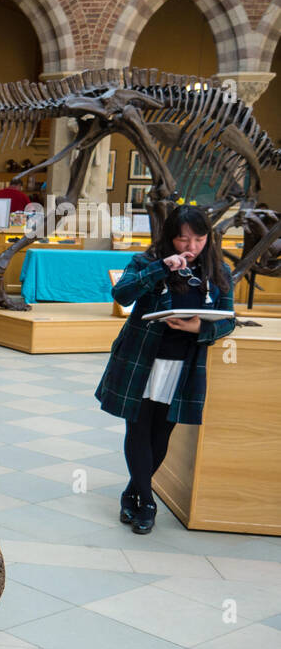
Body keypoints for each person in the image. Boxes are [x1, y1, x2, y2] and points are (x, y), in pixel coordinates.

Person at [94, 205, 236, 533]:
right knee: (138, 428)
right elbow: (123, 294)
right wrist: (160, 269)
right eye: (183, 239)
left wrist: (199, 328)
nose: (191, 247)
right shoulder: (147, 262)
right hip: (141, 359)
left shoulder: (219, 271)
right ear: (170, 237)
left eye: (199, 239)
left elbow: (228, 320)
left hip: (184, 364)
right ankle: (148, 502)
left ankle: (132, 493)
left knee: (162, 432)